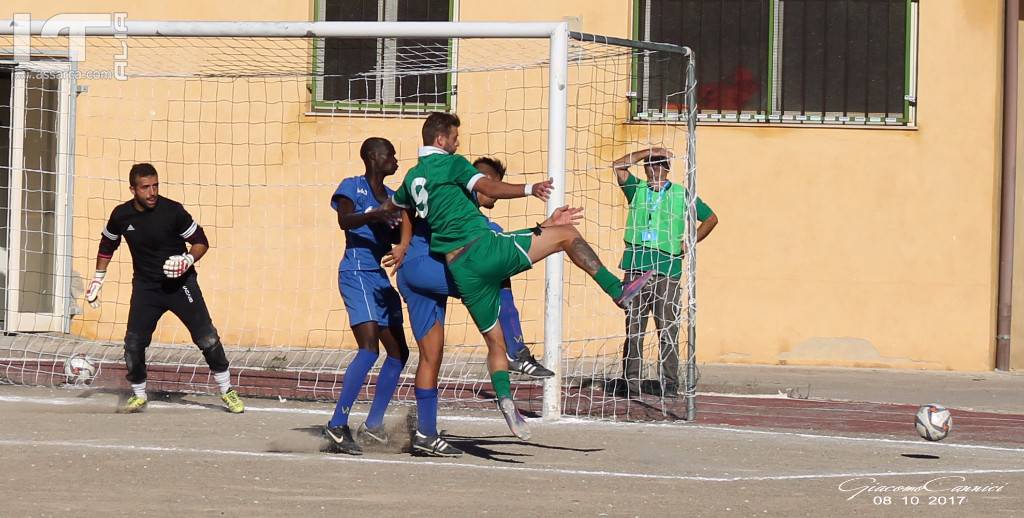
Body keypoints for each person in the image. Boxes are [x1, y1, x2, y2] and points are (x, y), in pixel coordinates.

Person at [384, 112, 654, 442]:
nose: (457, 143)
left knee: (493, 344)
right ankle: (616, 290)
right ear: (441, 140)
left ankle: (505, 401)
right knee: (566, 234)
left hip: (459, 270)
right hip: (478, 251)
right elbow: (487, 185)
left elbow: (396, 204)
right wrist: (530, 188)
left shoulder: (412, 178)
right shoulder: (451, 165)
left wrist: (399, 241)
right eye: (455, 138)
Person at [390, 157, 576, 456]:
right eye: (491, 187)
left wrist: (401, 243)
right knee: (494, 271)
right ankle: (516, 351)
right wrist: (548, 229)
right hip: (429, 269)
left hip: (410, 274)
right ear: (477, 182)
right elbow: (499, 249)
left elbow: (403, 207)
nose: (494, 194)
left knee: (430, 356)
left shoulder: (441, 198)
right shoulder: (465, 215)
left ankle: (424, 433)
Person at [84, 163, 244, 414]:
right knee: (134, 343)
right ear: (133, 190)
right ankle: (138, 395)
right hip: (146, 288)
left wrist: (188, 260)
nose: (152, 192)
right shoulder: (121, 215)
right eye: (145, 187)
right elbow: (107, 244)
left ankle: (227, 391)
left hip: (181, 285)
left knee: (207, 337)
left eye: (155, 185)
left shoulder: (173, 211)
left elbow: (201, 241)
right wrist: (97, 278)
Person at [322, 137, 410, 456]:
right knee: (369, 348)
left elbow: (398, 234)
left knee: (399, 352)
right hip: (356, 270)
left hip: (379, 275)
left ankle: (373, 427)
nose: (396, 160)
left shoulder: (393, 198)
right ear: (373, 157)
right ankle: (337, 424)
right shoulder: (352, 186)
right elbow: (345, 221)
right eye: (390, 154)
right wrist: (375, 214)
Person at [611, 148, 718, 398]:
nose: (653, 168)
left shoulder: (681, 193)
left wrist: (689, 242)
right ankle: (631, 384)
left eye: (659, 164)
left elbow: (711, 218)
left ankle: (669, 383)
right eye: (649, 164)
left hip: (667, 268)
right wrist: (648, 151)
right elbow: (617, 166)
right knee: (634, 329)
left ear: (668, 168)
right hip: (636, 267)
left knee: (667, 329)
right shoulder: (637, 189)